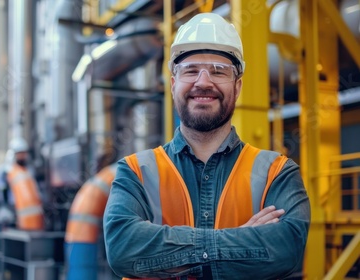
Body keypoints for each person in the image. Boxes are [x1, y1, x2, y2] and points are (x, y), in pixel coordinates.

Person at [103, 13, 310, 280]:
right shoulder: (135, 171)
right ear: (174, 84)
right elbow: (123, 250)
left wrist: (168, 254)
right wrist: (242, 241)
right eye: (191, 70)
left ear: (237, 87)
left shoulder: (278, 172)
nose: (203, 81)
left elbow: (285, 250)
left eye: (218, 71)